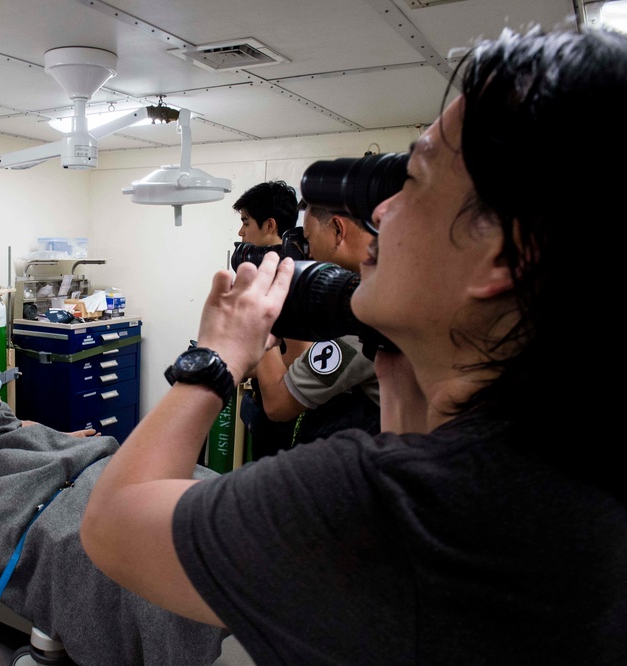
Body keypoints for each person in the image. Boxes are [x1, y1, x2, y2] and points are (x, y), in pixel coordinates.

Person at [82, 25, 627, 665]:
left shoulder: (391, 507)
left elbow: (113, 526)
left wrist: (218, 356)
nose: (383, 219)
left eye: (416, 182)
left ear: (506, 253)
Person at [0, 330, 229, 665]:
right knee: (90, 527)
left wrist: (63, 438)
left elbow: (16, 425)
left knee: (155, 479)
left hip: (33, 445)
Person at [252, 203, 380, 454]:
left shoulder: (366, 309)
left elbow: (278, 405)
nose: (307, 254)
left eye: (308, 241)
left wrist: (262, 317)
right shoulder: (371, 289)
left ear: (337, 230)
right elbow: (303, 362)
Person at [231, 180, 309, 459]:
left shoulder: (291, 283)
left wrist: (246, 364)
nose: (240, 232)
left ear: (270, 225)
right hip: (263, 402)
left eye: (246, 222)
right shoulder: (263, 277)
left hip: (284, 416)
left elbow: (298, 361)